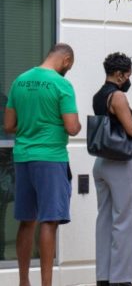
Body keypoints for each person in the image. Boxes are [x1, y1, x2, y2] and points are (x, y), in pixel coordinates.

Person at [4, 43, 80, 286]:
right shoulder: (62, 84)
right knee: (49, 220)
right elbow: (72, 126)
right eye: (70, 66)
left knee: (27, 220)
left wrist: (31, 125)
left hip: (23, 156)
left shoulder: (20, 81)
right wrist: (74, 126)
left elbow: (9, 125)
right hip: (50, 158)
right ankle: (47, 284)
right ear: (66, 60)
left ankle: (24, 282)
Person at [92, 52, 132, 286]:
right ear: (119, 74)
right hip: (120, 162)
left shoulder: (99, 95)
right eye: (127, 75)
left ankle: (104, 277)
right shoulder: (117, 96)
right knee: (124, 220)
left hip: (101, 161)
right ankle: (122, 278)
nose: (128, 79)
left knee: (104, 220)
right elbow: (131, 130)